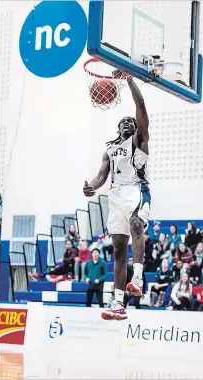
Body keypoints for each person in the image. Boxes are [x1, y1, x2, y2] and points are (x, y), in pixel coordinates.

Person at [83, 74, 151, 320]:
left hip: (136, 190)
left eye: (130, 121)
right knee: (119, 250)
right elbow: (102, 175)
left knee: (136, 225)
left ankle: (137, 278)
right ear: (117, 128)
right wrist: (92, 186)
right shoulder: (110, 148)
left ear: (135, 127)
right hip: (115, 196)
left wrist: (130, 79)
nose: (126, 123)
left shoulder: (139, 140)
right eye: (122, 121)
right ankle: (118, 303)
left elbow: (140, 106)